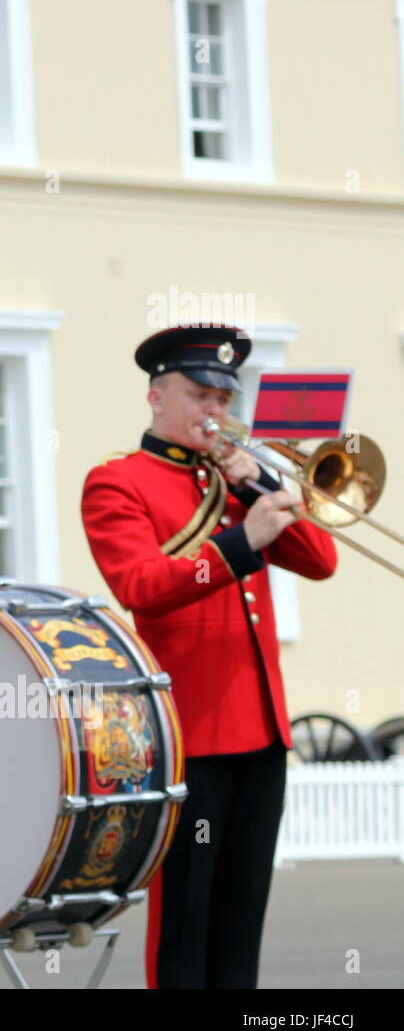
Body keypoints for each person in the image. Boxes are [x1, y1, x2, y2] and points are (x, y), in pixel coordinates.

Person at [81, 324, 337, 989]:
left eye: (224, 397)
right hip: (190, 734)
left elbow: (322, 561)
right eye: (199, 394)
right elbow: (140, 586)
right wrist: (240, 543)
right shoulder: (118, 482)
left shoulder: (236, 479)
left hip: (263, 732)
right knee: (187, 926)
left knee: (240, 925)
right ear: (157, 397)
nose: (215, 412)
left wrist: (258, 487)